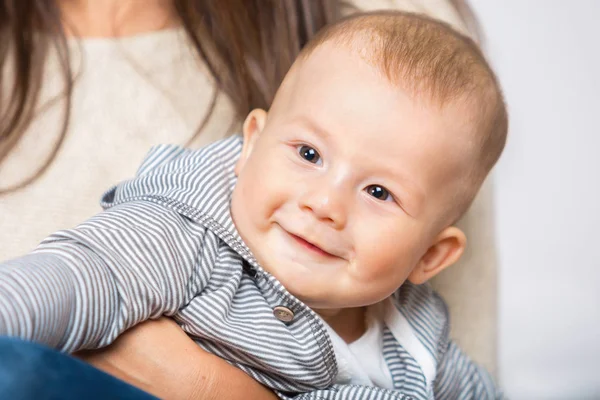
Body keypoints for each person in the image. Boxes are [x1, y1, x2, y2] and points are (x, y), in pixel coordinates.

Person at [0, 10, 507, 399]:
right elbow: (80, 277)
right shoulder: (185, 232)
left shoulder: (420, 343)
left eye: (379, 192)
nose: (325, 204)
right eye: (309, 154)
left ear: (430, 257)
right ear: (252, 144)